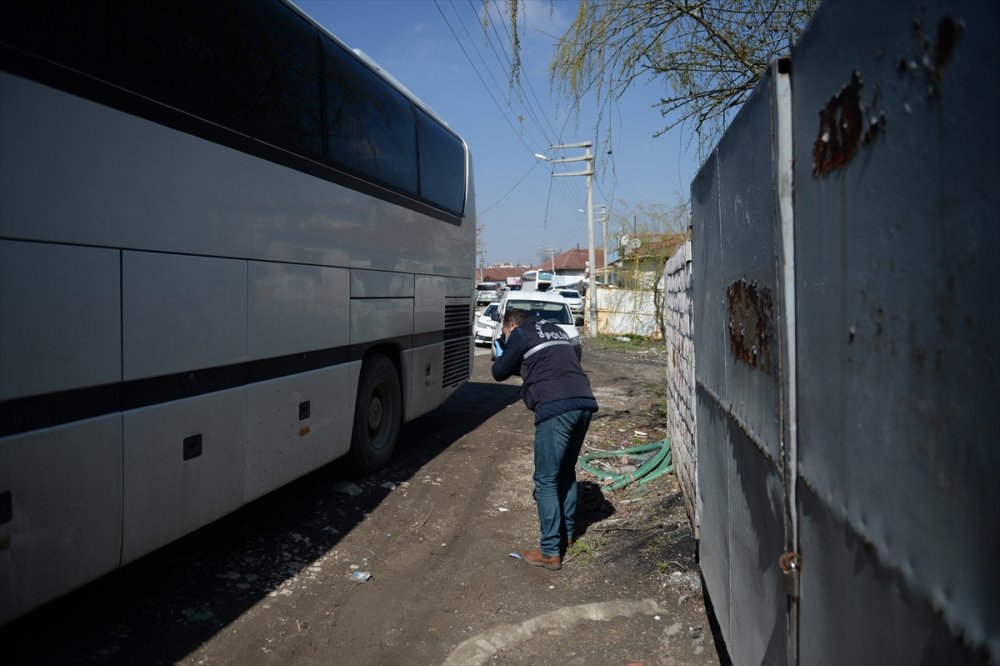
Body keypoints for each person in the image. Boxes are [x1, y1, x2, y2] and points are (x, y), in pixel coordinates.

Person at [491, 308, 598, 570]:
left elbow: (499, 371)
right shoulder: (557, 330)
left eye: (505, 332)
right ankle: (568, 534)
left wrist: (502, 348)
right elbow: (548, 362)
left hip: (556, 407)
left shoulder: (520, 333)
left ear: (512, 325)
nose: (507, 336)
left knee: (545, 478)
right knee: (565, 471)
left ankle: (550, 551)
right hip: (584, 402)